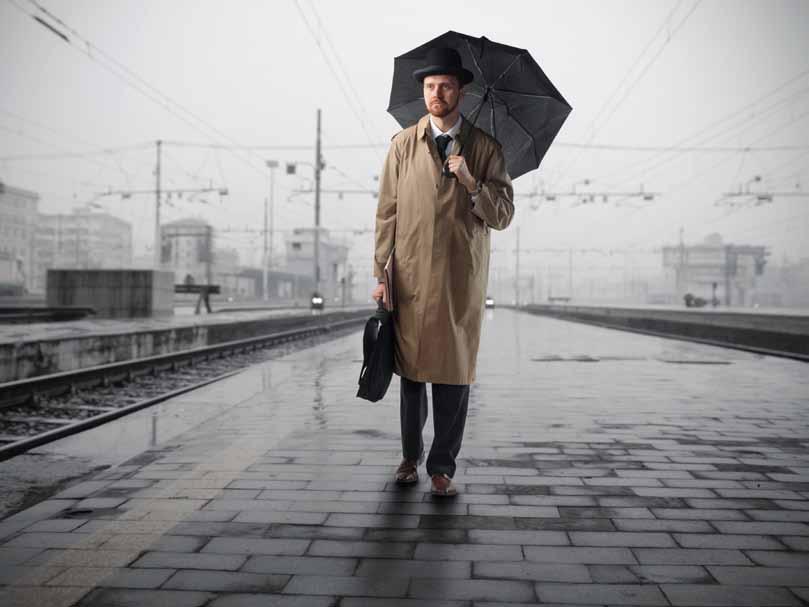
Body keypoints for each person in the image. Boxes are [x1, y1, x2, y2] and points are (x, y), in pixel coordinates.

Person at [372, 46, 514, 496]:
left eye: (446, 86)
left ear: (461, 92)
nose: (437, 93)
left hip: (458, 279)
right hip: (411, 278)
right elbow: (387, 214)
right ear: (423, 92)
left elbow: (504, 214)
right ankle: (409, 459)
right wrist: (382, 276)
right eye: (431, 87)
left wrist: (472, 182)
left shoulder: (486, 149)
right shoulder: (401, 147)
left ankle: (442, 469)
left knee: (453, 376)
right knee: (411, 374)